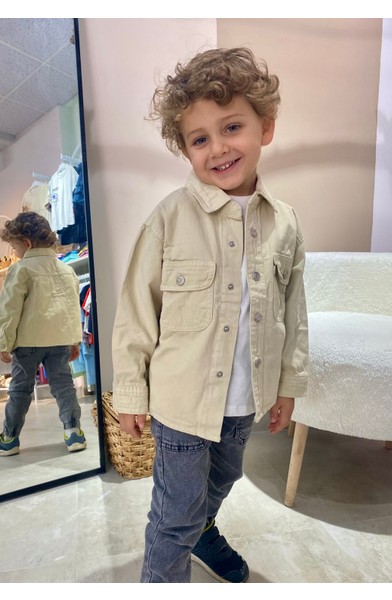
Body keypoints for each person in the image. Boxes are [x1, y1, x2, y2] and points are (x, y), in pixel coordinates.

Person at [112, 47, 308, 583]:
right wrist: (130, 391)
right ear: (185, 149)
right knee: (174, 514)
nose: (218, 148)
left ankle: (204, 530)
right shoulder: (168, 219)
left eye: (232, 127)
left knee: (221, 483)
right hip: (181, 402)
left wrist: (288, 385)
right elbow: (135, 310)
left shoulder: (286, 224)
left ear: (266, 127)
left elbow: (294, 313)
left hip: (243, 402)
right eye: (200, 139)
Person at [0, 212, 87, 456]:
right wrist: (74, 341)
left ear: (27, 243)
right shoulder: (66, 270)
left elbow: (9, 310)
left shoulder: (20, 270)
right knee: (64, 386)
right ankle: (73, 431)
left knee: (20, 389)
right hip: (59, 341)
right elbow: (72, 309)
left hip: (28, 342)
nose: (14, 252)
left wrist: (4, 342)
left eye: (14, 247)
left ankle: (9, 438)